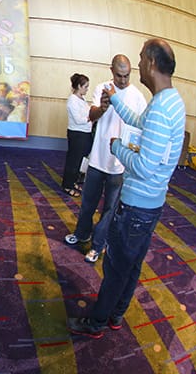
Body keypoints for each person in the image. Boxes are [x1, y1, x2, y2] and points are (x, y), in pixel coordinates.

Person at [68, 38, 186, 338]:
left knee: (117, 268)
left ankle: (96, 323)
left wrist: (118, 148)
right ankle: (116, 315)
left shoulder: (160, 108)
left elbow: (145, 167)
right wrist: (115, 99)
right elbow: (138, 121)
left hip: (137, 205)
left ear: (151, 63)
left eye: (141, 58)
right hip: (152, 204)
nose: (138, 64)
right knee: (131, 266)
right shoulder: (170, 101)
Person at [64, 56, 147, 263]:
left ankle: (98, 245)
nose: (122, 80)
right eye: (118, 75)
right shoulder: (102, 87)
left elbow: (140, 129)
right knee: (87, 203)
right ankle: (82, 233)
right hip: (97, 159)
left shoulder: (137, 97)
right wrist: (102, 108)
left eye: (126, 75)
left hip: (119, 165)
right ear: (111, 70)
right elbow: (90, 116)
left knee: (109, 210)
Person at [60, 74, 92, 197]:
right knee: (73, 161)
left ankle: (73, 182)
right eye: (85, 86)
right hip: (77, 134)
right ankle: (67, 186)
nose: (87, 89)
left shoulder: (82, 99)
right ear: (79, 86)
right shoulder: (72, 100)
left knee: (79, 160)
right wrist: (91, 117)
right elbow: (79, 120)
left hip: (84, 133)